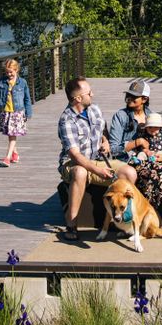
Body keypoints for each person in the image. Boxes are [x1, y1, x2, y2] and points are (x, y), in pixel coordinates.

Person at [57, 77, 137, 241]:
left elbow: (103, 130)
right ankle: (71, 224)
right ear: (78, 98)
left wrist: (105, 141)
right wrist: (97, 170)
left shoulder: (94, 109)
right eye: (88, 92)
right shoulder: (67, 120)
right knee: (80, 172)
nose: (92, 94)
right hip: (72, 163)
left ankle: (121, 218)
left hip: (97, 159)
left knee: (130, 173)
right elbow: (74, 155)